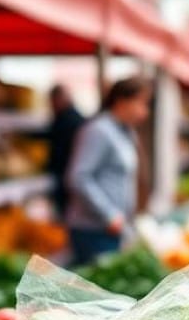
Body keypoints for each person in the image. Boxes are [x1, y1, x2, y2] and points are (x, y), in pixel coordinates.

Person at [66, 76, 152, 265]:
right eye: (141, 103)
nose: (145, 112)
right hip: (93, 230)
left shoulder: (126, 132)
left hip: (114, 229)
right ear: (122, 101)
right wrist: (109, 215)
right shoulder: (98, 131)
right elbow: (79, 176)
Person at [47, 84, 86, 219]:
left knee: (65, 213)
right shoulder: (78, 118)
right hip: (68, 176)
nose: (51, 105)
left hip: (66, 175)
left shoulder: (66, 120)